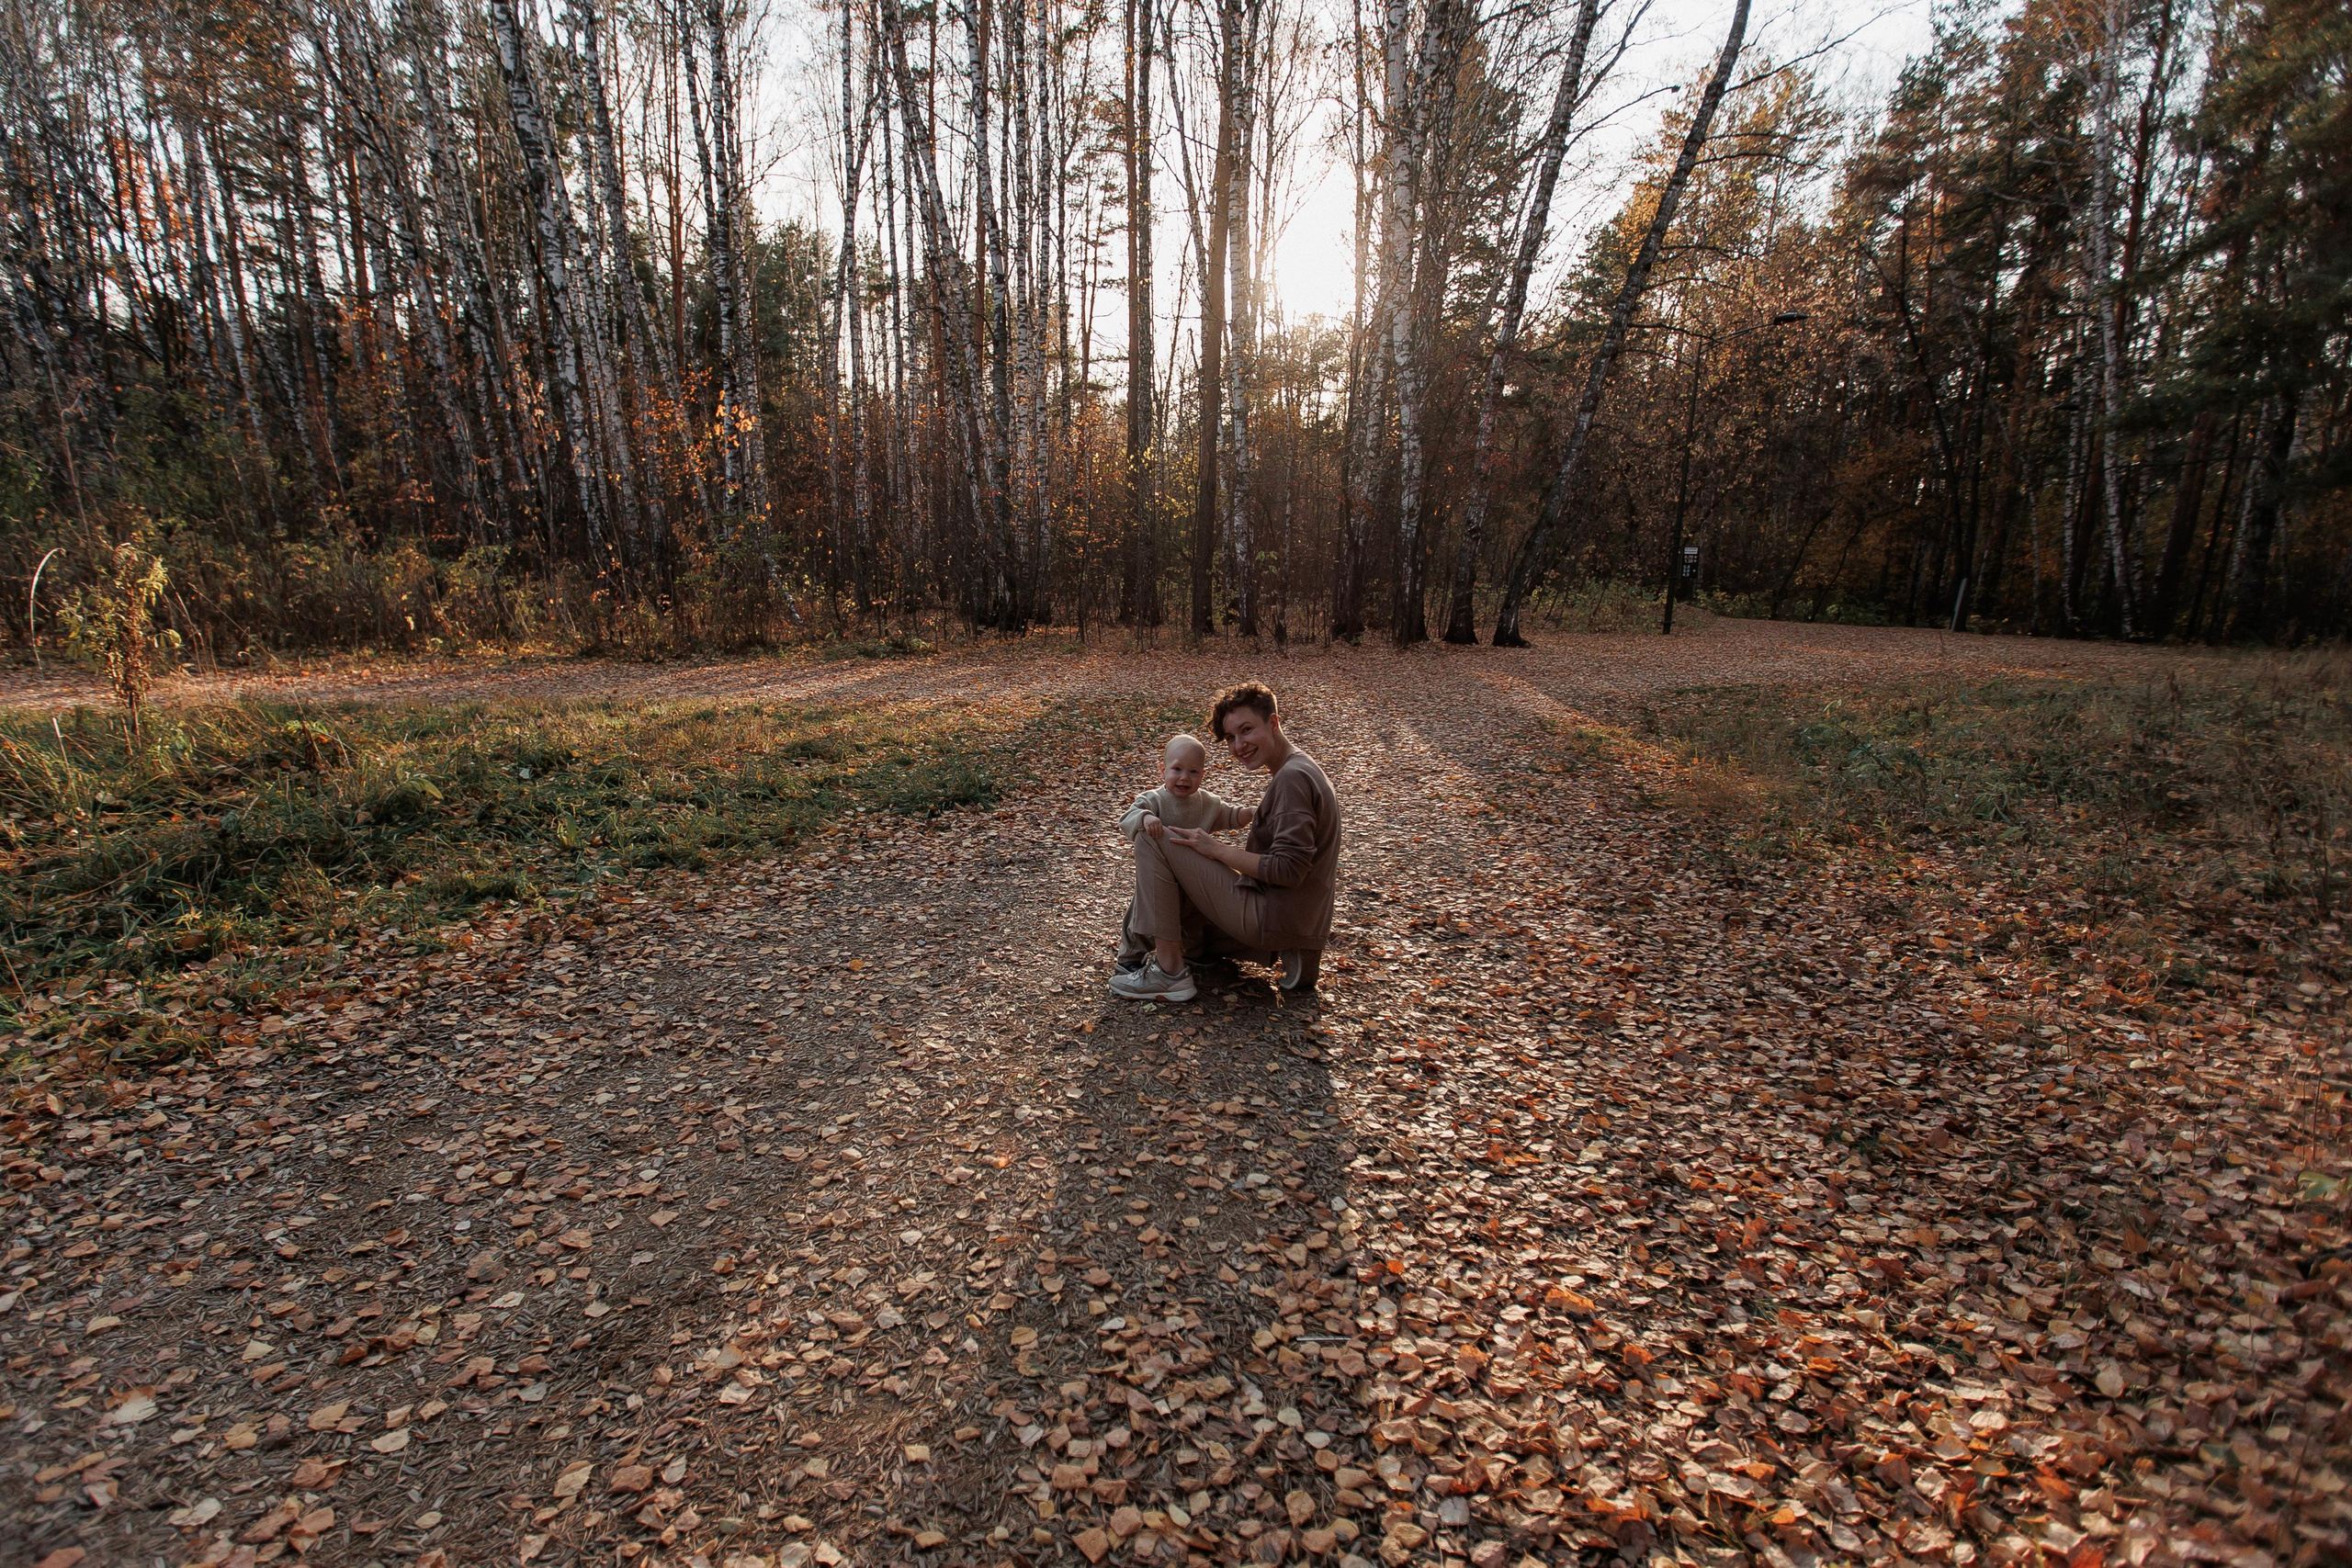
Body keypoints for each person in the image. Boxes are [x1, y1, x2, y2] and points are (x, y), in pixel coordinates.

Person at [1110, 681, 1341, 1002]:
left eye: (1246, 730)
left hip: (1270, 917)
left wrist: (1216, 849)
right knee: (1180, 883)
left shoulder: (1292, 778)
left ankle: (1169, 971)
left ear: (1273, 723)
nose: (1239, 745)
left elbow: (1289, 869)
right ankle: (1273, 949)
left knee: (1154, 836)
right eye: (1231, 737)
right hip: (1296, 919)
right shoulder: (1301, 768)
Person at [1112, 735, 1255, 974]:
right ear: (1163, 770)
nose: (1184, 778)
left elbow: (1230, 815)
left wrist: (1251, 813)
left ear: (1203, 775)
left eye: (1193, 772)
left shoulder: (1206, 803)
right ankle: (1130, 956)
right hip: (1158, 878)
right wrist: (1146, 818)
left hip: (1191, 878)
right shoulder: (1155, 799)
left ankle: (1194, 952)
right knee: (1145, 917)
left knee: (1194, 917)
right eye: (1176, 769)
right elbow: (1129, 816)